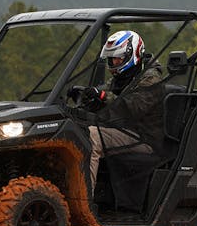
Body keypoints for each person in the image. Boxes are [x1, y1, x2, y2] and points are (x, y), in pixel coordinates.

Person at [68, 30, 165, 190]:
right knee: (75, 129)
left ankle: (84, 201)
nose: (114, 63)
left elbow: (132, 107)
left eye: (118, 58)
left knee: (91, 137)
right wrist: (86, 94)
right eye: (111, 59)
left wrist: (103, 96)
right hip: (122, 130)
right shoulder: (123, 77)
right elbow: (104, 93)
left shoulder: (151, 79)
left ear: (132, 54)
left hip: (144, 137)